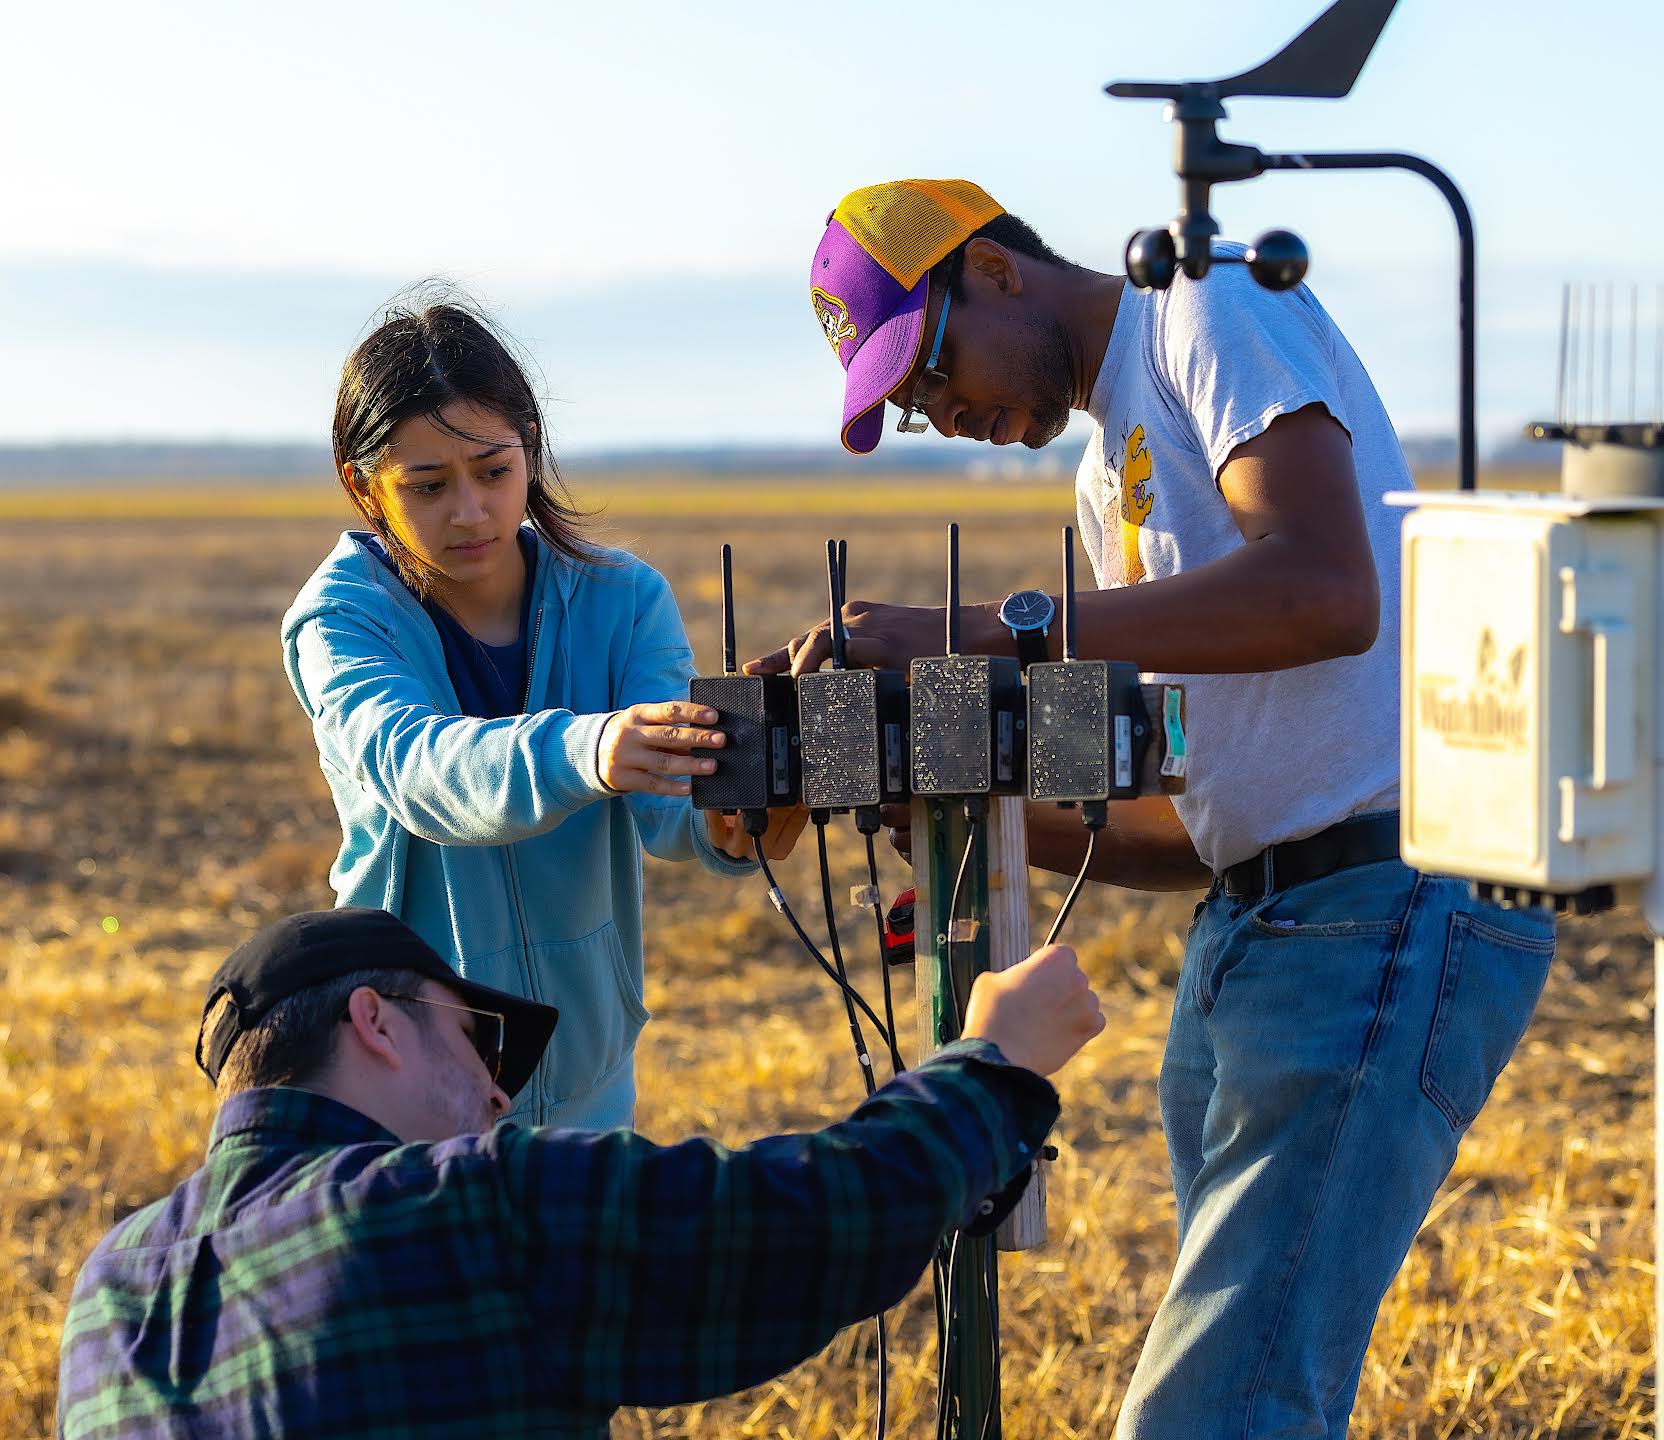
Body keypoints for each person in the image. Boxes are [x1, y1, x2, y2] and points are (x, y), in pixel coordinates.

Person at [770, 179, 1558, 1438]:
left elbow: (1321, 587)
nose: (945, 411)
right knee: (1255, 1389)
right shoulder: (1104, 483)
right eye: (913, 408)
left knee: (1213, 1410)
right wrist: (942, 783)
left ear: (996, 271)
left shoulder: (1204, 302)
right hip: (1251, 931)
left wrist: (973, 635)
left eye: (930, 364)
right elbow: (1164, 809)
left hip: (1380, 905)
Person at [56, 907, 1102, 1439]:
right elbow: (816, 1219)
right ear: (373, 1022)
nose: (500, 1092)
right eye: (478, 1041)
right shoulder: (462, 1200)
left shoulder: (107, 1293)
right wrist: (993, 1064)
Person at [282, 291, 806, 1130]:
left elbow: (667, 801)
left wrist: (734, 818)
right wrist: (589, 748)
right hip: (403, 1080)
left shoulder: (623, 598)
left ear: (531, 447)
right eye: (427, 485)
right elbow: (417, 770)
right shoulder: (342, 619)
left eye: (494, 472)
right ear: (364, 487)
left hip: (590, 1069)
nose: (470, 510)